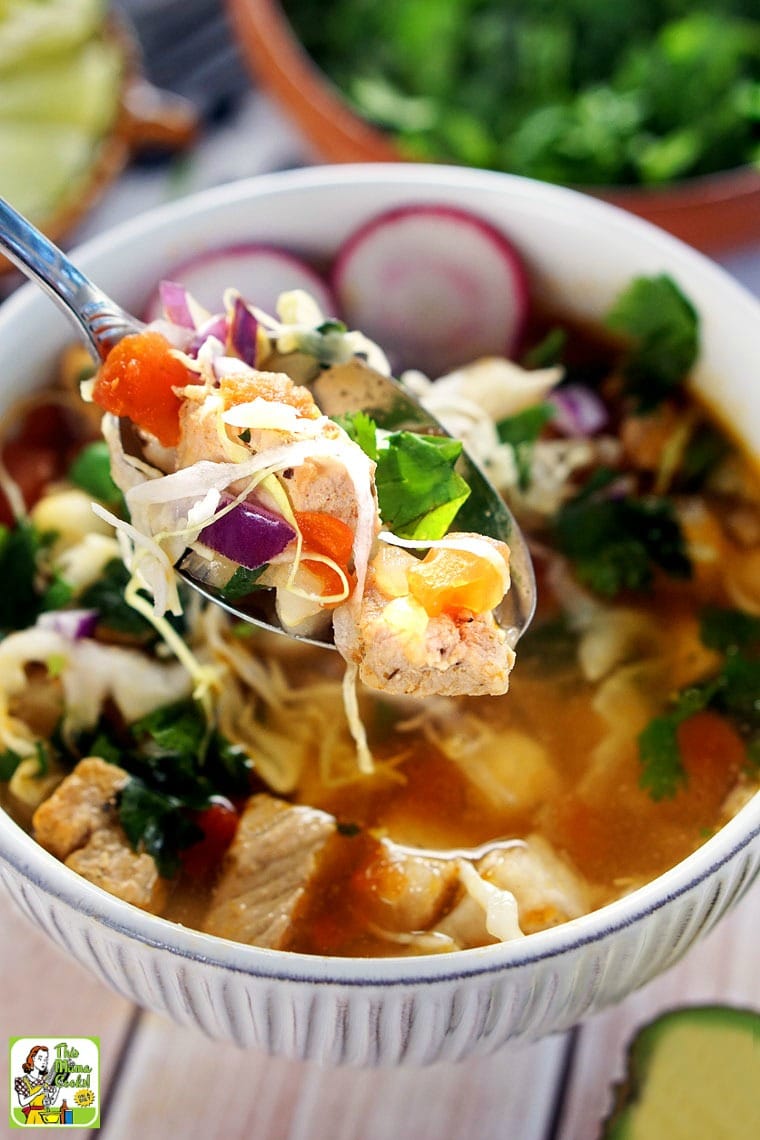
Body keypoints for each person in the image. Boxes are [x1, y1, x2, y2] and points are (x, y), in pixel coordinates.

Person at [14, 1046, 60, 1125]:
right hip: (33, 1117)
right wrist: (38, 1093)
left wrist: (58, 1087)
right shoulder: (22, 1081)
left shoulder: (45, 1080)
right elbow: (22, 1102)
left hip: (45, 1116)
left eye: (46, 1059)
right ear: (33, 1058)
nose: (43, 1062)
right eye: (40, 1058)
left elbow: (51, 1102)